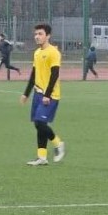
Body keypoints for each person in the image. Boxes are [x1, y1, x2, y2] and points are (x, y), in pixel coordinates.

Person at [19, 23, 66, 166]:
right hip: (37, 94)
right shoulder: (37, 53)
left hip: (50, 95)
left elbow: (55, 74)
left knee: (40, 122)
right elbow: (34, 75)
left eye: (40, 34)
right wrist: (26, 93)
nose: (37, 37)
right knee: (39, 124)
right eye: (35, 34)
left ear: (48, 36)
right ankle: (42, 157)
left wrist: (47, 94)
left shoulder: (53, 52)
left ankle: (58, 144)